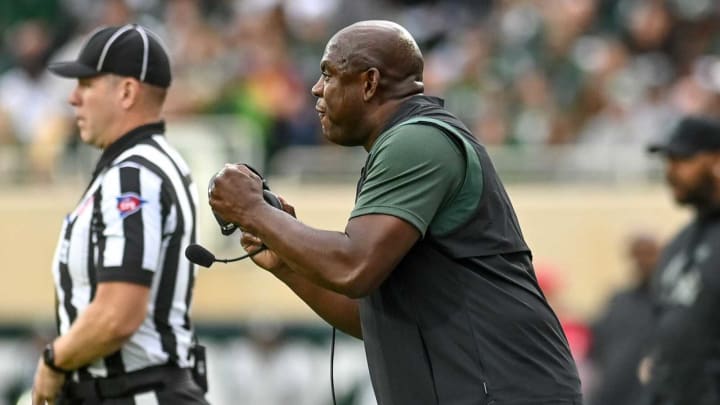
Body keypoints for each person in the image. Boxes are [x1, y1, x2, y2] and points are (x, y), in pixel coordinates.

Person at [209, 20, 582, 404]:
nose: (316, 89)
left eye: (328, 74)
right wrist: (288, 264)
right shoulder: (401, 145)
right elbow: (372, 318)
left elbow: (352, 265)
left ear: (369, 83)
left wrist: (254, 209)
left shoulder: (417, 141)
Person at [32, 24, 208, 405]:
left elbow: (118, 314)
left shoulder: (134, 174)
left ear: (127, 91)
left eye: (87, 84)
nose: (73, 99)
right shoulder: (146, 163)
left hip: (135, 392)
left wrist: (53, 361)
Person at [642, 116, 720, 405]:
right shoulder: (679, 244)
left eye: (683, 159)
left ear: (716, 160)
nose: (671, 171)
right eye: (669, 160)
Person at [587, 233, 660, 405]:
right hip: (614, 392)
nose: (643, 261)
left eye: (649, 254)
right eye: (638, 254)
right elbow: (597, 344)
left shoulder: (669, 301)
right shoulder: (618, 301)